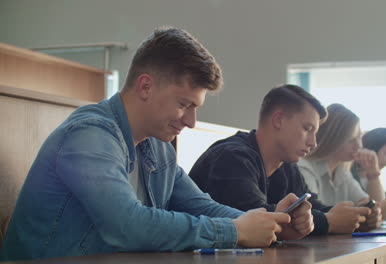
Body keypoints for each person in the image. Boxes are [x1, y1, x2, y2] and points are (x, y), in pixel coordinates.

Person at [0, 27, 313, 261]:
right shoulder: (90, 135)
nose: (190, 122)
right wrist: (236, 232)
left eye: (195, 109)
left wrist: (270, 222)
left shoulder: (158, 145)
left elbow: (201, 205)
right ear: (146, 86)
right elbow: (127, 225)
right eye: (183, 104)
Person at [189, 85, 372, 235]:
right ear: (279, 120)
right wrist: (329, 221)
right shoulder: (232, 157)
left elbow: (310, 207)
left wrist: (354, 217)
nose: (313, 143)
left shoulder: (287, 165)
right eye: (307, 129)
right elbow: (255, 217)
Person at [298, 103, 383, 230]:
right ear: (332, 139)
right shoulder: (304, 168)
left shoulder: (342, 172)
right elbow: (312, 212)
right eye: (351, 139)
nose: (358, 146)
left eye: (359, 137)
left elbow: (374, 205)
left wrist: (373, 174)